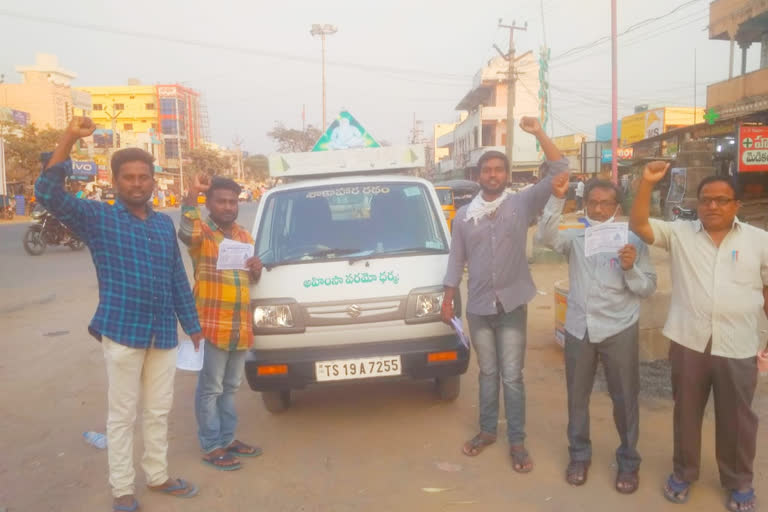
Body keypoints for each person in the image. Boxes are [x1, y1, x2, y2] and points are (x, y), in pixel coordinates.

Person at [35, 117, 204, 512]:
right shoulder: (99, 219)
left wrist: (192, 326)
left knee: (159, 410)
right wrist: (68, 138)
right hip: (122, 330)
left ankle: (158, 476)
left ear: (153, 182)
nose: (137, 183)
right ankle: (122, 489)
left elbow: (176, 277)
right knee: (122, 414)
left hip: (163, 333)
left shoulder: (163, 226)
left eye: (144, 177)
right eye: (128, 177)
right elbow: (47, 193)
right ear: (115, 182)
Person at [629, 162, 768, 512]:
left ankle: (738, 482)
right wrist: (646, 183)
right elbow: (639, 225)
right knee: (687, 413)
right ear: (698, 203)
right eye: (706, 199)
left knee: (738, 418)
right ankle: (684, 472)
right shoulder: (680, 234)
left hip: (739, 343)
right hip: (689, 342)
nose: (713, 206)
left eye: (722, 200)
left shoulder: (759, 241)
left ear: (736, 205)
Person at [442, 116, 569, 473]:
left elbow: (560, 167)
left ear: (507, 175)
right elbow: (456, 259)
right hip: (480, 307)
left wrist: (538, 132)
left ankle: (517, 440)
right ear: (478, 176)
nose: (493, 175)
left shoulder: (522, 203)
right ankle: (486, 432)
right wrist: (448, 297)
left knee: (512, 376)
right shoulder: (464, 216)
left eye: (499, 170)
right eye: (487, 170)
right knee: (487, 373)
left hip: (512, 303)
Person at [536, 178, 656, 493]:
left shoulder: (634, 240)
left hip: (619, 327)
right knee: (577, 398)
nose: (599, 209)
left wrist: (630, 268)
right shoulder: (576, 237)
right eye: (593, 202)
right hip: (579, 328)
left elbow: (647, 288)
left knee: (625, 399)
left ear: (617, 207)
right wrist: (556, 199)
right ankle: (579, 456)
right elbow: (544, 236)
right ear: (586, 204)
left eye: (606, 203)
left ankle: (629, 462)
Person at [178, 174, 264, 471]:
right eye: (221, 201)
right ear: (209, 203)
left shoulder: (243, 236)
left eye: (232, 201)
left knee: (230, 387)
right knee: (210, 389)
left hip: (240, 327)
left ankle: (228, 439)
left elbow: (251, 277)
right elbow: (186, 233)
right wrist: (191, 198)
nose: (228, 207)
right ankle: (211, 446)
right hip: (212, 324)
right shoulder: (201, 233)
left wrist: (256, 268)